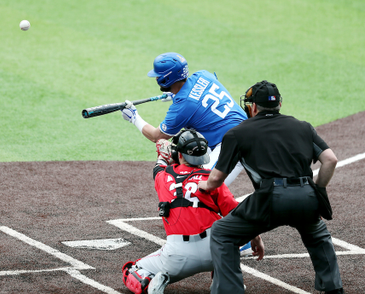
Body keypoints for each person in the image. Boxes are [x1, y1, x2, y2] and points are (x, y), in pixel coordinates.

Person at [198, 80, 344, 294]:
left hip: (270, 200)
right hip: (306, 195)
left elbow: (215, 181)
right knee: (318, 235)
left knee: (222, 232)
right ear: (279, 104)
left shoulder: (237, 133)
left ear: (253, 107)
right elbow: (330, 160)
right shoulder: (303, 127)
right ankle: (333, 289)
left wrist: (202, 184)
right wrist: (318, 191)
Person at [121, 129, 263, 294]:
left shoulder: (163, 178)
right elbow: (239, 215)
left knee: (132, 270)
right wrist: (256, 238)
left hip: (177, 257)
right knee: (226, 235)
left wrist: (162, 156)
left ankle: (150, 282)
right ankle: (226, 279)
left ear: (179, 155)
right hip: (215, 250)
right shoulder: (211, 179)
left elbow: (158, 169)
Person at [121, 52, 247, 185]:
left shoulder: (183, 107)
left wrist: (134, 117)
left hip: (235, 143)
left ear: (166, 79)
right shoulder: (203, 74)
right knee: (185, 162)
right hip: (243, 130)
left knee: (199, 187)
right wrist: (177, 95)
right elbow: (200, 96)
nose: (156, 77)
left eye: (158, 75)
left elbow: (156, 136)